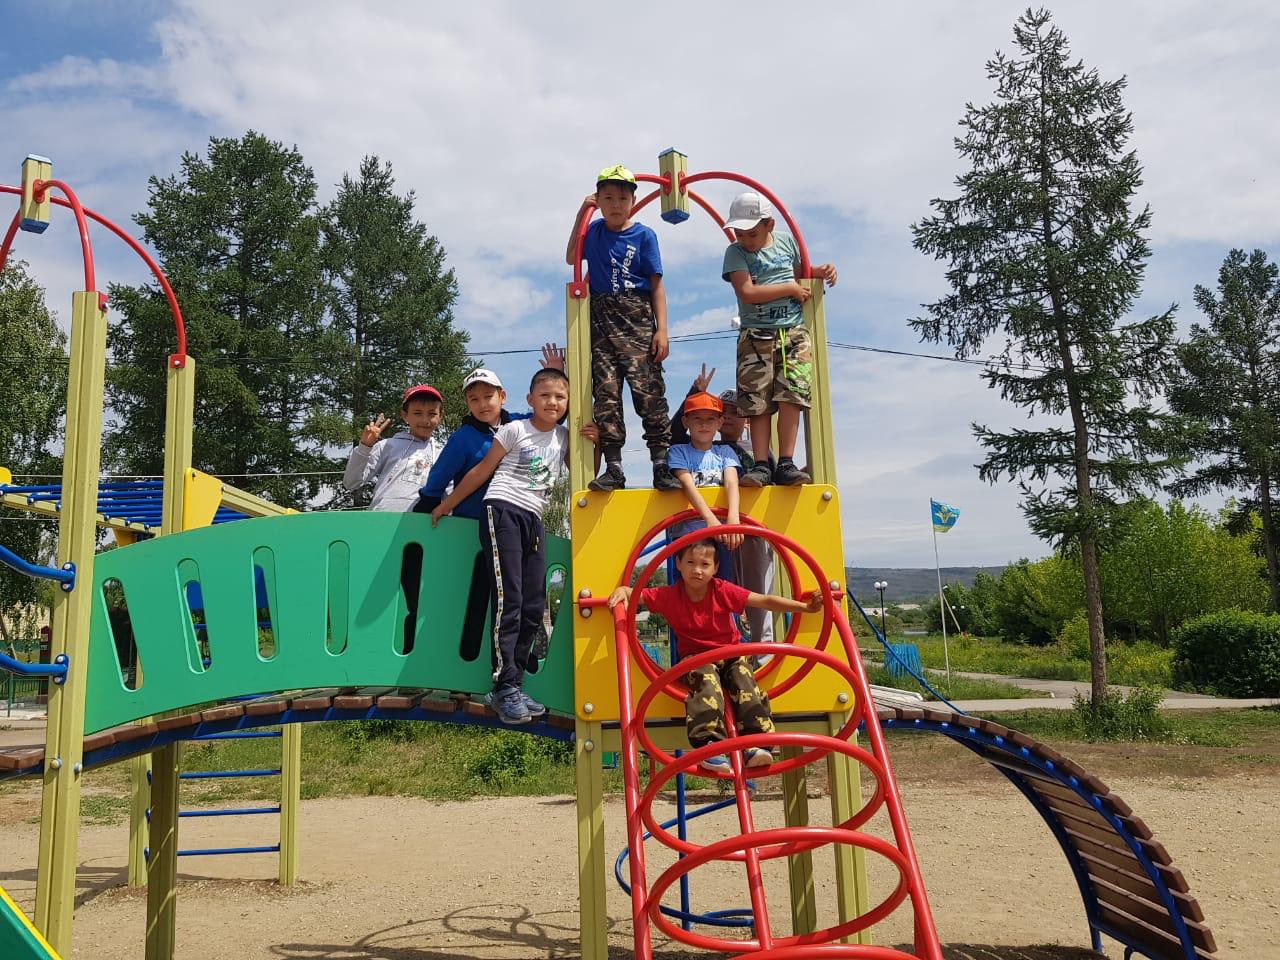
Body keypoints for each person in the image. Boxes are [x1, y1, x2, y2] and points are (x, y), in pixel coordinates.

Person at [430, 368, 571, 725]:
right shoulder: (515, 429)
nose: (552, 402)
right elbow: (481, 471)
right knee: (510, 599)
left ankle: (515, 684)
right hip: (503, 509)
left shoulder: (564, 437)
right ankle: (503, 685)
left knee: (533, 605)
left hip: (534, 518)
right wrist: (446, 504)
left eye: (560, 397)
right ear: (529, 400)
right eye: (544, 396)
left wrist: (595, 440)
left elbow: (587, 467)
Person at [607, 537, 822, 769]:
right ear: (678, 564)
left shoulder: (722, 590)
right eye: (690, 562)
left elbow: (765, 601)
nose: (697, 570)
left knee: (742, 674)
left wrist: (806, 608)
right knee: (706, 678)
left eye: (705, 564)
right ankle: (709, 745)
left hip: (730, 655)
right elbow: (634, 593)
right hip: (697, 659)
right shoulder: (669, 595)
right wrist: (622, 591)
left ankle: (756, 742)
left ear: (715, 568)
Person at [414, 346, 563, 665]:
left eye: (488, 396)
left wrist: (557, 373)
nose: (483, 404)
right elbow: (442, 475)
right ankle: (469, 663)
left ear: (503, 397)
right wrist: (430, 504)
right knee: (478, 597)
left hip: (517, 523)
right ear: (467, 404)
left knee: (522, 594)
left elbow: (552, 412)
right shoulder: (465, 437)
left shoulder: (520, 424)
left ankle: (522, 659)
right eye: (474, 399)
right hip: (473, 528)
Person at [566, 163, 680, 493]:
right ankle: (614, 467)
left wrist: (662, 329)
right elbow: (572, 256)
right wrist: (582, 213)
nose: (615, 204)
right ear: (598, 200)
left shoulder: (644, 235)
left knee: (648, 392)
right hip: (602, 319)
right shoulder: (595, 231)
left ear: (633, 201)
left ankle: (661, 464)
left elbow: (657, 285)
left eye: (622, 198)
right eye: (608, 198)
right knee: (606, 393)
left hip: (637, 317)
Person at [722, 191, 837, 487]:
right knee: (756, 401)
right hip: (756, 334)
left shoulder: (786, 242)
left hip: (792, 331)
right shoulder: (735, 253)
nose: (746, 240)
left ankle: (786, 462)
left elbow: (796, 272)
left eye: (752, 233)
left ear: (769, 225)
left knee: (791, 396)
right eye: (740, 233)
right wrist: (789, 289)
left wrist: (817, 272)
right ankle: (762, 463)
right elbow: (747, 291)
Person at [667, 392, 743, 579]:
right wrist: (709, 518)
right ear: (686, 422)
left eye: (710, 419)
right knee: (686, 587)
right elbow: (687, 484)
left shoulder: (725, 452)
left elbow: (731, 482)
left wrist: (733, 517)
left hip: (721, 535)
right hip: (687, 534)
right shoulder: (678, 451)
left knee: (723, 585)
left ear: (720, 422)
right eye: (697, 418)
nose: (704, 424)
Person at [342, 384, 444, 511]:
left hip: (422, 521)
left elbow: (448, 494)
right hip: (383, 518)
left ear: (440, 416)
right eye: (417, 413)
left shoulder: (444, 454)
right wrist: (364, 447)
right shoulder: (387, 445)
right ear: (405, 415)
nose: (425, 420)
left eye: (432, 414)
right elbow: (351, 482)